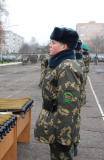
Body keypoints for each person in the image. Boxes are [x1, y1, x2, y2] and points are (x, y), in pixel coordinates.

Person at [34, 27, 83, 160]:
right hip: (56, 124)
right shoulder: (60, 64)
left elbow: (68, 107)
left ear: (64, 46)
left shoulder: (66, 67)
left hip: (61, 129)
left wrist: (65, 138)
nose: (50, 45)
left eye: (54, 42)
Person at [73, 40, 87, 156]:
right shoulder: (80, 61)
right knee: (76, 120)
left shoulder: (75, 63)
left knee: (73, 121)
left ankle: (73, 145)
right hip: (79, 96)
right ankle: (74, 144)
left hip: (74, 98)